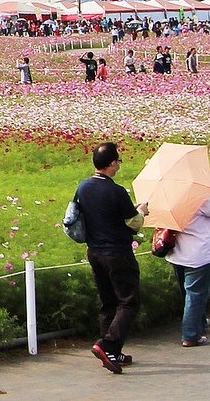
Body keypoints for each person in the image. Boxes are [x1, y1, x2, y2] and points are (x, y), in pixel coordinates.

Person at [75, 142, 149, 374]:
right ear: (110, 164)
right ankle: (107, 345)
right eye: (117, 161)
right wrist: (142, 211)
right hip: (117, 253)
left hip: (95, 252)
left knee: (108, 302)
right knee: (129, 301)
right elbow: (133, 222)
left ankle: (113, 354)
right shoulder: (116, 191)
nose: (118, 165)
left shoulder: (83, 187)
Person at [165, 190, 210, 347]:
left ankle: (199, 322)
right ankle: (191, 335)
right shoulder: (197, 196)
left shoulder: (168, 195)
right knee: (196, 294)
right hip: (198, 253)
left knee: (188, 292)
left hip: (177, 252)